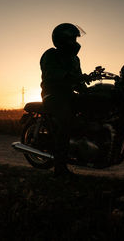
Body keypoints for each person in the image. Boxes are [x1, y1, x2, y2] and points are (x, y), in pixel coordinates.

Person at [40, 23, 88, 177]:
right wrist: (67, 76)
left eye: (75, 38)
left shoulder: (75, 59)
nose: (75, 42)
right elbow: (51, 73)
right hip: (53, 95)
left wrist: (86, 89)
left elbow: (78, 80)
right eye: (72, 39)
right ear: (61, 40)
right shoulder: (50, 55)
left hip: (68, 94)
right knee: (66, 121)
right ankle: (60, 168)